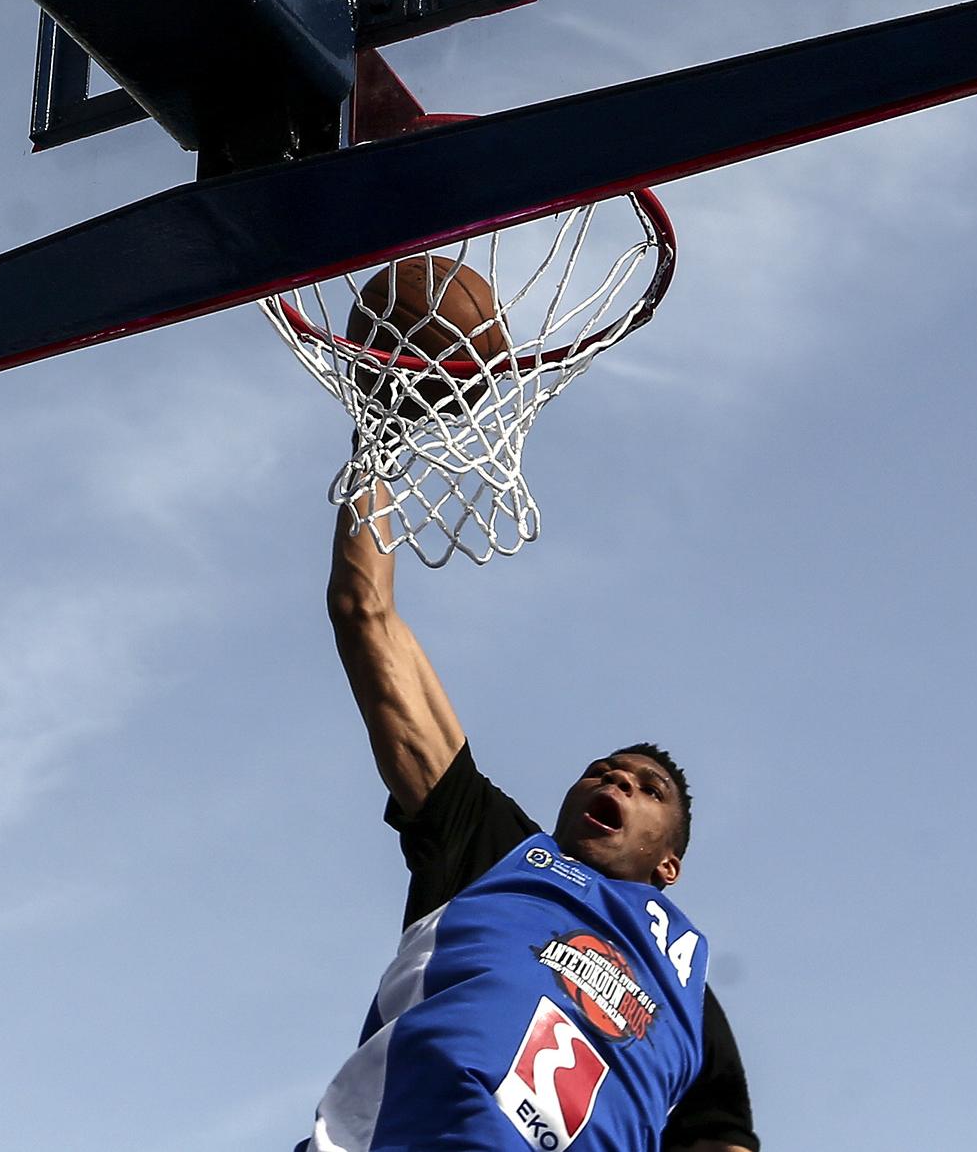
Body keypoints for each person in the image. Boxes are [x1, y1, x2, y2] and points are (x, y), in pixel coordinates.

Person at [304, 480, 760, 1152]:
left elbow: (720, 1137)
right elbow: (364, 611)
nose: (617, 779)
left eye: (649, 787)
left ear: (670, 863)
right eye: (603, 769)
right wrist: (383, 447)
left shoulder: (684, 984)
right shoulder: (495, 846)